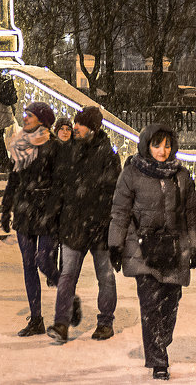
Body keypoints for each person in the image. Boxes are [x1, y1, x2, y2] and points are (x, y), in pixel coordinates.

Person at [108, 123, 196, 381]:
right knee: (150, 304)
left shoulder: (182, 175)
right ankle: (158, 359)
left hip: (175, 249)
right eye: (157, 145)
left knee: (170, 304)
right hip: (142, 249)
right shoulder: (131, 174)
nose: (163, 150)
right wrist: (116, 244)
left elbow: (192, 215)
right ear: (147, 144)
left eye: (167, 145)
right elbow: (120, 213)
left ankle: (161, 341)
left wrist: (194, 245)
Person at [48, 105, 121, 343]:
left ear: (93, 127)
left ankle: (105, 322)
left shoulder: (108, 155)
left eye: (80, 124)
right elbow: (59, 186)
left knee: (105, 276)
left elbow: (113, 192)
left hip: (99, 226)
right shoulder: (68, 151)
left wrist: (103, 219)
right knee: (68, 275)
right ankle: (61, 323)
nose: (75, 127)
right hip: (73, 224)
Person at [0, 102, 62, 336]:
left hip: (46, 212)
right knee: (28, 264)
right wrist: (6, 208)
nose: (24, 118)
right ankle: (36, 318)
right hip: (25, 211)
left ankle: (65, 292)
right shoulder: (20, 144)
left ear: (42, 120)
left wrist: (55, 209)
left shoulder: (54, 146)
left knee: (43, 261)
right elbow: (13, 179)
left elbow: (61, 182)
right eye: (25, 114)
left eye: (30, 115)